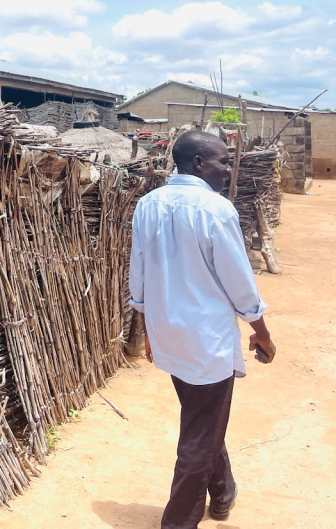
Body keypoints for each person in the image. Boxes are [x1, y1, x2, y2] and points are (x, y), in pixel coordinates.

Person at [129, 130, 277, 529]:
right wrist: (261, 331)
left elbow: (138, 277)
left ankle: (224, 491)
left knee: (202, 417)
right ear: (198, 163)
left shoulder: (148, 205)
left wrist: (147, 329)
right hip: (206, 339)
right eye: (223, 161)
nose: (229, 169)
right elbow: (239, 282)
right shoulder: (216, 210)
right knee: (199, 431)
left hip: (168, 333)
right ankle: (178, 521)